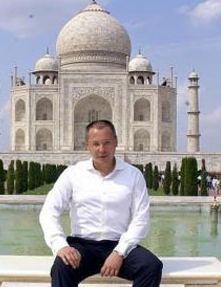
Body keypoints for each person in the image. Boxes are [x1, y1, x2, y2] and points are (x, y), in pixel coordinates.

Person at [39, 120, 163, 287]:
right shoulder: (73, 174)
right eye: (96, 144)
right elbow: (49, 211)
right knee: (61, 268)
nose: (102, 149)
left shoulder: (133, 175)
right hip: (82, 246)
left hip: (118, 244)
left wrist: (119, 252)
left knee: (151, 266)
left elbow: (141, 219)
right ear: (87, 146)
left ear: (116, 142)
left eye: (107, 143)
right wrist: (60, 246)